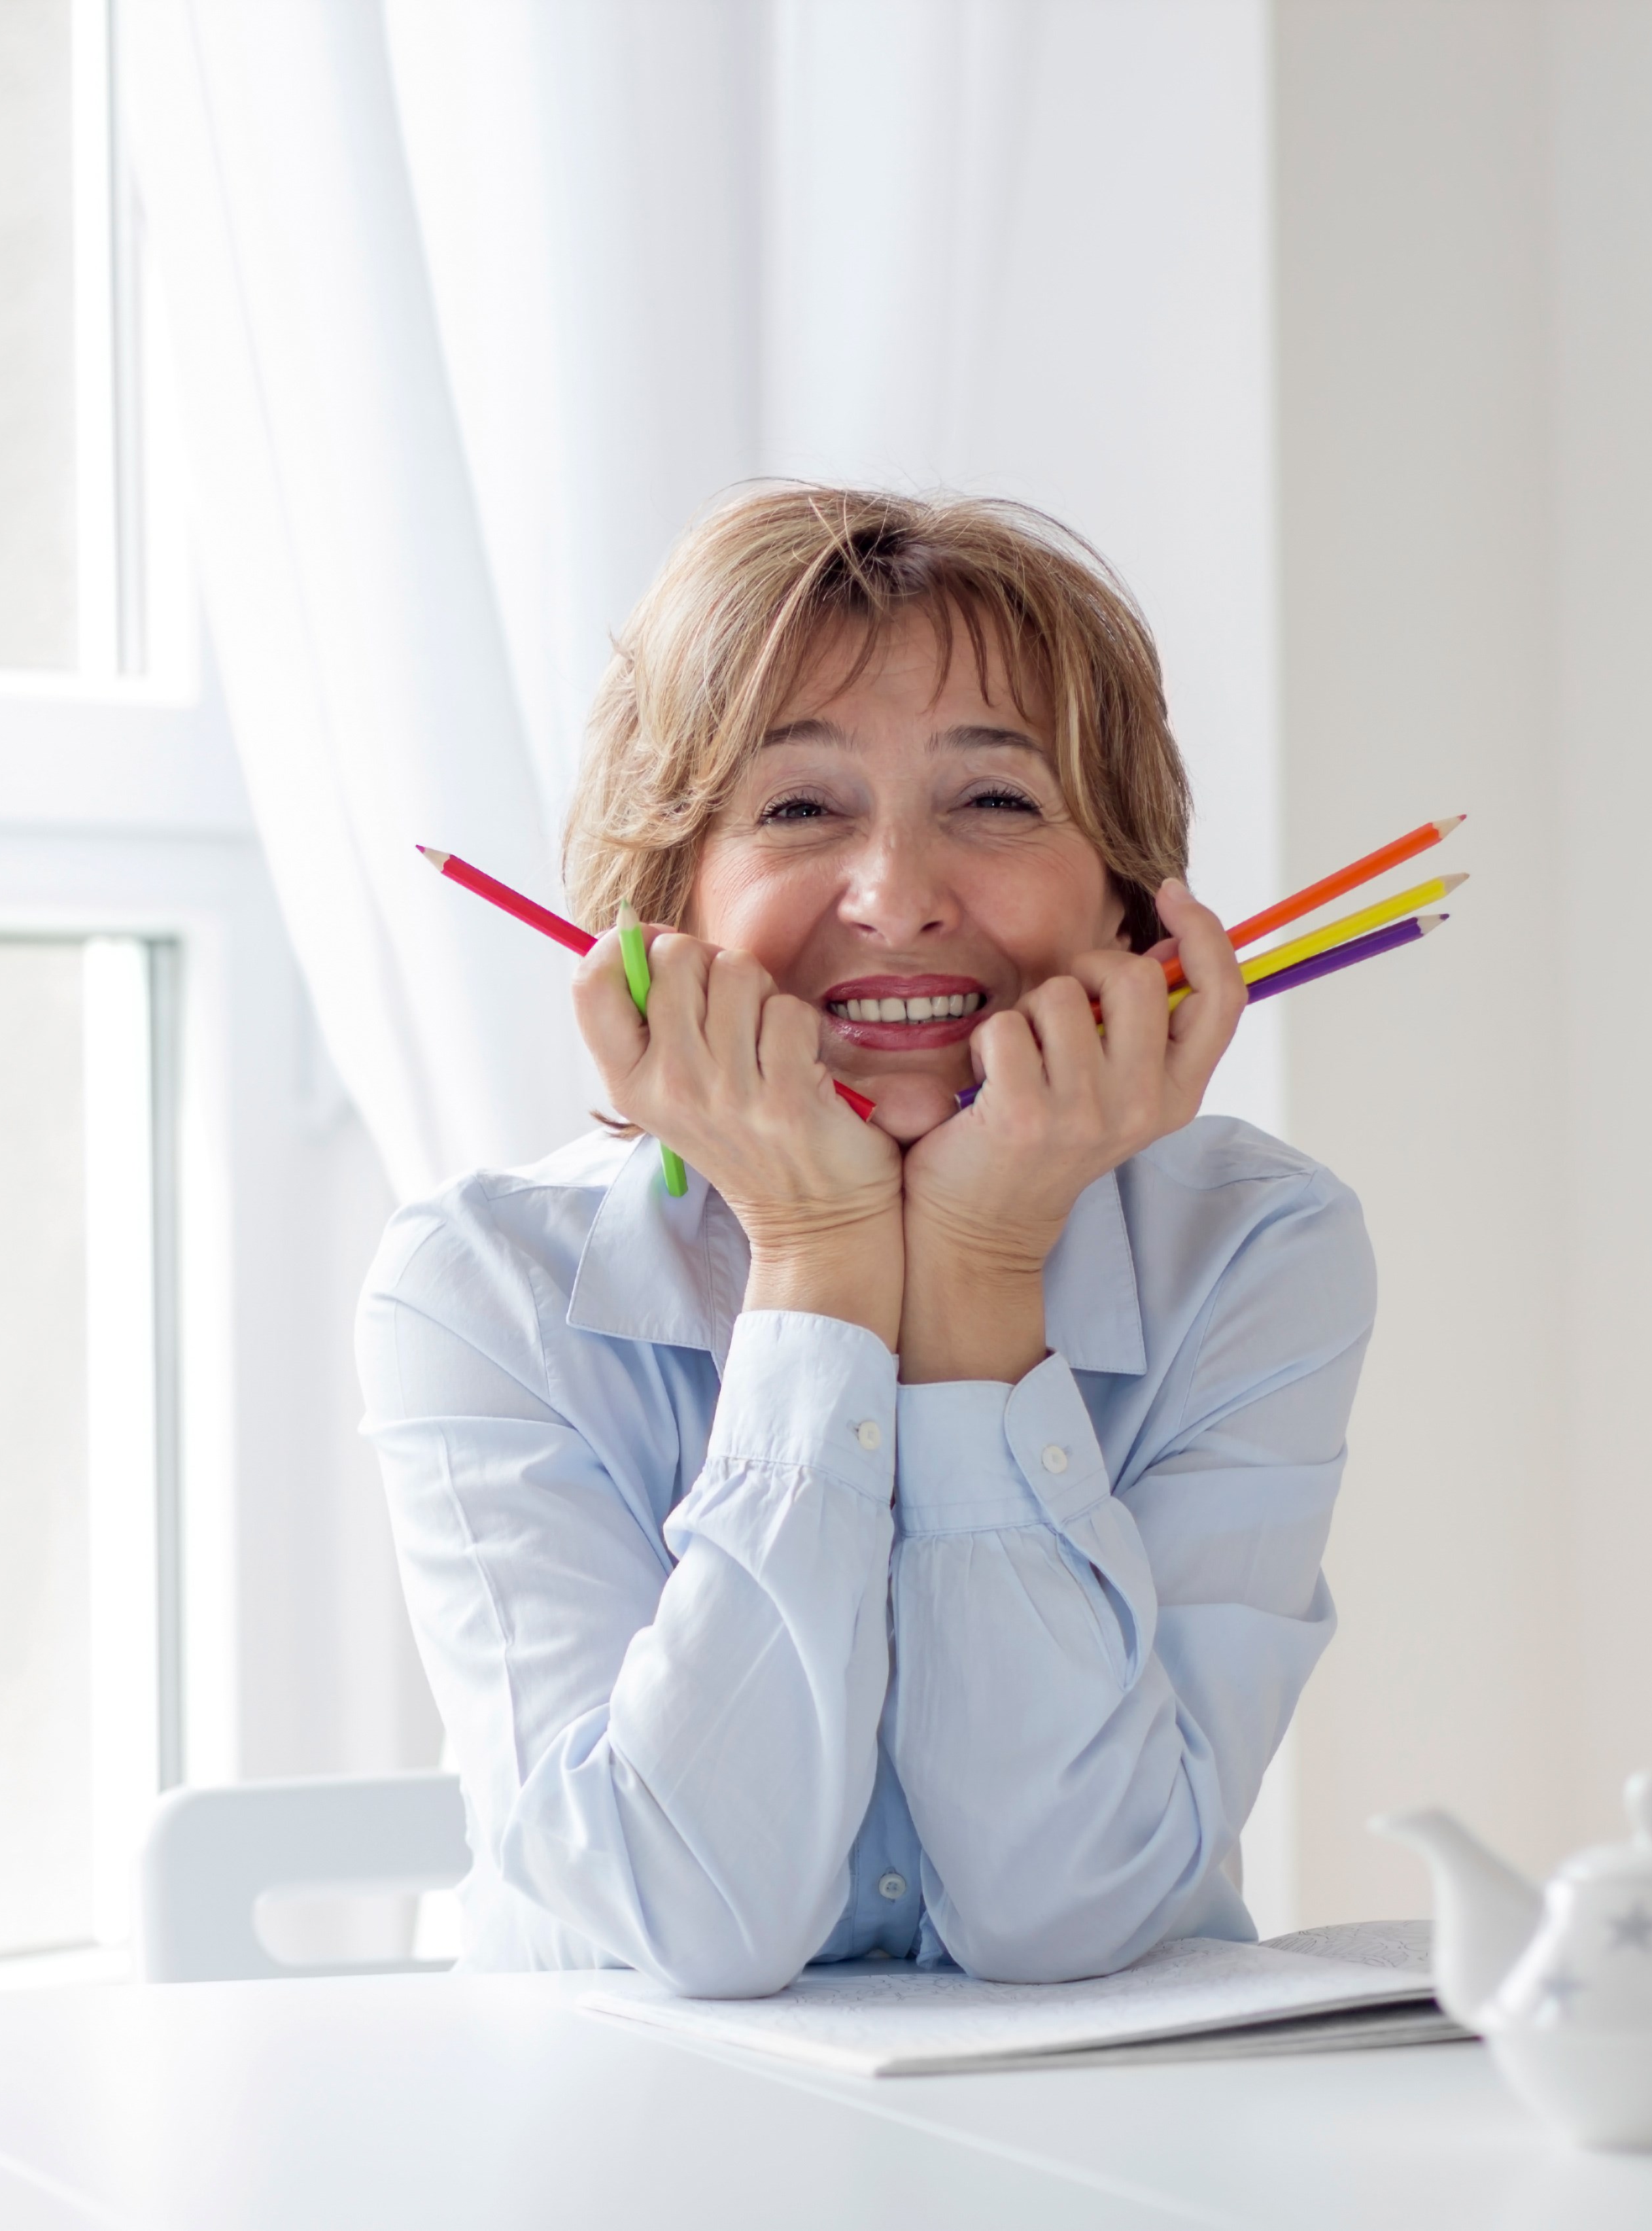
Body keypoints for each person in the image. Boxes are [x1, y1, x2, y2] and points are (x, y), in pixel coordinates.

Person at [357, 485, 1375, 1996]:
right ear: (663, 908)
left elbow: (1070, 1913)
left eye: (997, 801)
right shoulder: (482, 1284)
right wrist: (822, 1248)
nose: (896, 896)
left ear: (1129, 906)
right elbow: (685, 1917)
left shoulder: (1255, 1248)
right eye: (797, 807)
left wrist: (980, 1266)